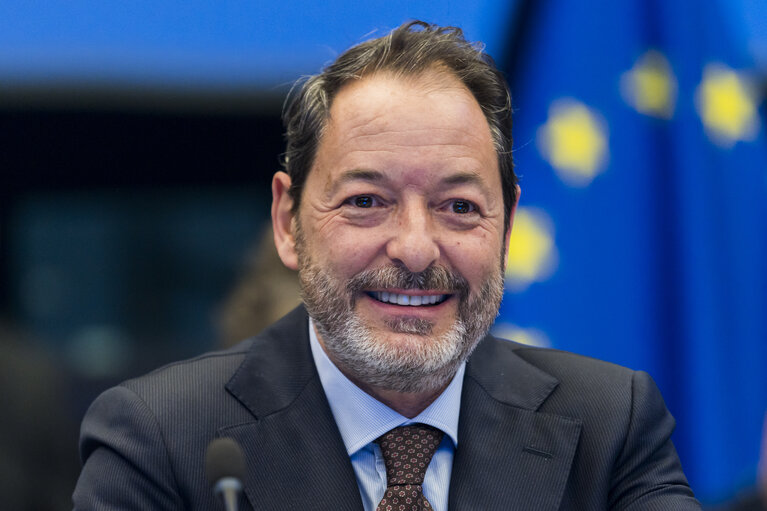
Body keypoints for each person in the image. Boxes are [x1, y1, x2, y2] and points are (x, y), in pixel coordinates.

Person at [73, 21, 701, 510]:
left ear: (507, 225)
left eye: (458, 206)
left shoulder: (609, 424)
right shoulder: (161, 440)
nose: (416, 248)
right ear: (288, 221)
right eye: (367, 202)